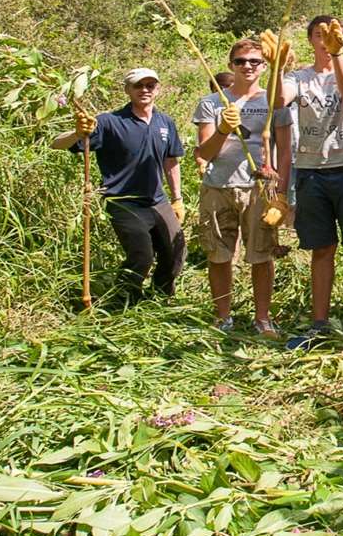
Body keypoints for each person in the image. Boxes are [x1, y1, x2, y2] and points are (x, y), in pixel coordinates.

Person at [271, 16, 343, 347]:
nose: (325, 40)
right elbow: (279, 99)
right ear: (310, 40)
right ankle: (319, 321)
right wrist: (277, 68)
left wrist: (337, 57)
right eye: (319, 35)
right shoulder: (299, 78)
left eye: (332, 35)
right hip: (310, 171)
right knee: (322, 249)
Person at [51, 66, 187, 303]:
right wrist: (77, 132)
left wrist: (177, 198)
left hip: (158, 200)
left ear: (158, 89)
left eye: (150, 85)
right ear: (127, 90)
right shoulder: (108, 122)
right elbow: (57, 144)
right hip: (123, 202)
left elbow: (171, 161)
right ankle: (125, 301)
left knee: (175, 250)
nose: (145, 90)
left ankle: (161, 296)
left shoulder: (165, 122)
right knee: (141, 257)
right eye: (138, 85)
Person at [191, 39, 291, 337]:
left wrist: (282, 193)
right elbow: (204, 153)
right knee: (218, 255)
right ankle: (223, 317)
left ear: (264, 66)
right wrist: (222, 129)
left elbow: (285, 149)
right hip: (217, 187)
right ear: (230, 65)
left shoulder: (273, 101)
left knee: (262, 255)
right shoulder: (212, 102)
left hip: (259, 189)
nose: (247, 66)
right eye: (240, 61)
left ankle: (262, 318)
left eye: (254, 61)